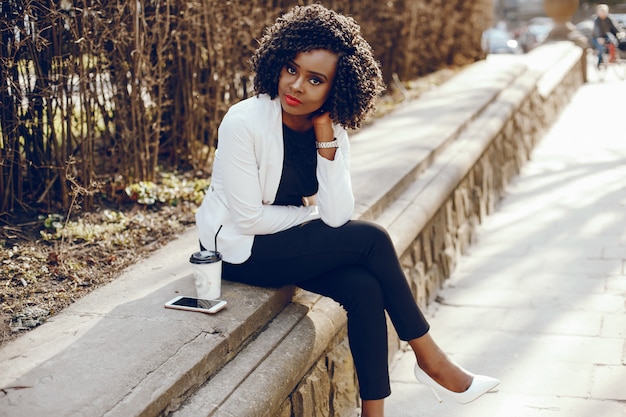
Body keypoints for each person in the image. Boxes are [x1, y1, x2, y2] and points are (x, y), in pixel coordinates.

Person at [195, 4, 499, 416]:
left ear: (335, 89)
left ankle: (374, 412)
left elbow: (337, 214)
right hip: (239, 250)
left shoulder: (331, 128)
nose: (296, 85)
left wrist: (326, 141)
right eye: (291, 68)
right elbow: (249, 218)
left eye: (315, 79)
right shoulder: (243, 122)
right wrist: (311, 217)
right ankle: (432, 361)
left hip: (281, 240)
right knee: (371, 238)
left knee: (365, 289)